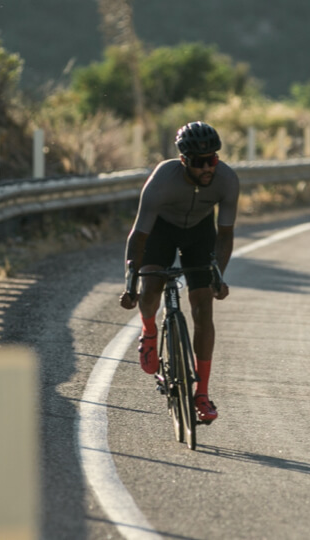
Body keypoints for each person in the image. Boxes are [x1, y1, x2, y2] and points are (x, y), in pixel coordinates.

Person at [119, 121, 238, 424]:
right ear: (184, 160)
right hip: (160, 231)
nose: (207, 168)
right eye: (199, 163)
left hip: (200, 233)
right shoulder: (162, 180)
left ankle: (202, 393)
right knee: (150, 290)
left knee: (203, 308)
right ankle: (148, 331)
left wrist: (217, 277)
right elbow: (139, 236)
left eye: (212, 160)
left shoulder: (227, 180)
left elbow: (224, 235)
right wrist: (131, 282)